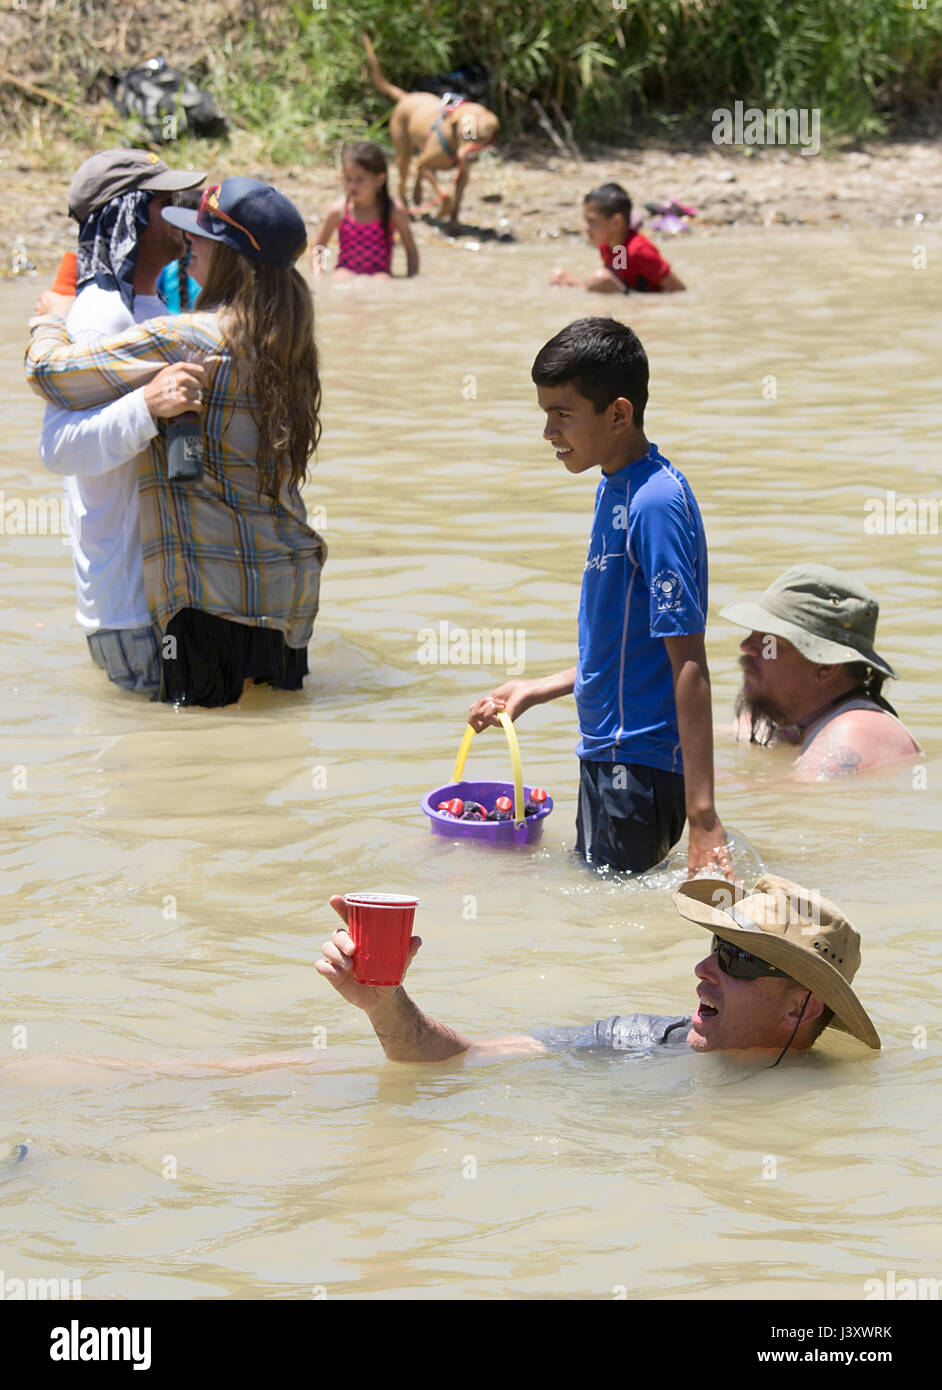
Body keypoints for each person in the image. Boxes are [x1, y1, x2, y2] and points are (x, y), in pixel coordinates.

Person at [27, 177, 327, 708]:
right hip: (287, 592)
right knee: (259, 765)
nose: (191, 243)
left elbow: (49, 373)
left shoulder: (189, 336)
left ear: (232, 258)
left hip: (208, 600)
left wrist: (51, 319)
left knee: (195, 759)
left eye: (204, 236)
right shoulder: (293, 345)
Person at [468, 317, 730, 877]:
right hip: (607, 755)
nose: (548, 431)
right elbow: (625, 647)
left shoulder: (655, 503)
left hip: (638, 766)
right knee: (601, 907)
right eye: (545, 413)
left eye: (562, 414)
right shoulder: (614, 488)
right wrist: (537, 688)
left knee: (614, 928)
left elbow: (688, 659)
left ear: (617, 413)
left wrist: (703, 816)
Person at [316, 874, 881, 1062]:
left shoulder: (836, 1105)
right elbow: (464, 1060)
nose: (703, 967)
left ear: (798, 1006)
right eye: (715, 943)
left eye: (736, 956)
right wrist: (383, 1000)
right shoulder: (639, 1041)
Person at [35, 149, 206, 698]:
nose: (180, 213)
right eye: (165, 203)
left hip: (164, 596)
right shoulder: (101, 313)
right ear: (129, 215)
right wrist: (147, 406)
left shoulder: (152, 310)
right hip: (130, 606)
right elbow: (58, 448)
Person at [722, 564, 921, 779]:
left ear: (825, 666)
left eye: (768, 642)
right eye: (752, 633)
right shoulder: (786, 721)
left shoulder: (856, 731)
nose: (746, 646)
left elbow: (792, 798)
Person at [549, 183, 686, 295]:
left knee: (600, 279)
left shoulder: (638, 250)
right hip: (623, 289)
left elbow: (678, 289)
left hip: (636, 298)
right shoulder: (607, 244)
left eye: (591, 221)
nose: (585, 227)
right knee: (559, 275)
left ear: (616, 223)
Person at [311, 140, 418, 280]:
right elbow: (318, 248)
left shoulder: (393, 211)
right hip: (346, 270)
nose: (352, 185)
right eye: (348, 179)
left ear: (380, 180)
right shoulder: (338, 211)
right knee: (340, 278)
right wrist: (318, 276)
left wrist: (412, 279)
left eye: (359, 179)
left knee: (382, 280)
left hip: (379, 273)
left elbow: (410, 250)